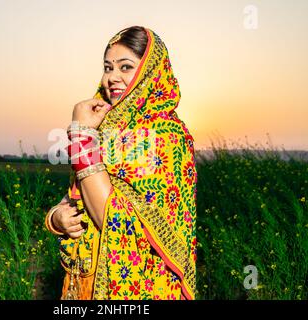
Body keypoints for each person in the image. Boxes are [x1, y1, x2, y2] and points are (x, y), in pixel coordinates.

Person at [45, 26, 198, 300]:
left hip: (142, 288)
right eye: (107, 67)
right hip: (85, 282)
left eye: (125, 67)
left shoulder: (168, 136)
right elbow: (76, 198)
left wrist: (81, 138)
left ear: (150, 74)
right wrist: (58, 218)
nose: (111, 78)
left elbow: (115, 221)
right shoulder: (102, 128)